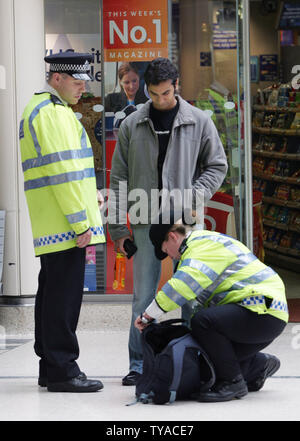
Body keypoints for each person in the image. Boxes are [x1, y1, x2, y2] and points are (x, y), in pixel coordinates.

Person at [108, 57, 228, 386]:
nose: (159, 100)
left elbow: (217, 166)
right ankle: (138, 364)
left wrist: (192, 197)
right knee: (143, 298)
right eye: (153, 93)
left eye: (165, 93)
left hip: (185, 222)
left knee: (192, 295)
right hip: (145, 221)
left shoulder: (200, 121)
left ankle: (195, 360)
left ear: (177, 85)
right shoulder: (132, 124)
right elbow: (118, 178)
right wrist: (118, 228)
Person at [135, 210, 288, 402]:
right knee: (207, 364)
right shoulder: (207, 240)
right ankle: (258, 365)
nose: (171, 257)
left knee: (203, 322)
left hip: (260, 309)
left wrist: (148, 315)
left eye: (166, 251)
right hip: (264, 315)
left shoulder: (200, 246)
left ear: (173, 237)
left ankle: (233, 383)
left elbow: (182, 286)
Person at [19, 52, 105, 393]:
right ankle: (63, 369)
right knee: (63, 300)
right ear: (56, 78)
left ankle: (51, 366)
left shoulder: (47, 110)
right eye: (76, 81)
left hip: (55, 223)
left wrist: (91, 196)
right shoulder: (52, 114)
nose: (82, 87)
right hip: (66, 226)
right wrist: (80, 222)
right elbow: (62, 173)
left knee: (52, 295)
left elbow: (71, 174)